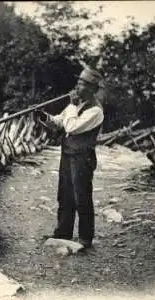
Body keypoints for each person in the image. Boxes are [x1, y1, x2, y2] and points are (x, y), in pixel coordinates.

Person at [39, 65, 104, 249]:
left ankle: (85, 238)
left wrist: (73, 106)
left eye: (82, 84)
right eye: (78, 83)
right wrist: (44, 117)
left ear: (93, 89)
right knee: (65, 194)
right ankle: (63, 232)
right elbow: (60, 122)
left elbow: (72, 127)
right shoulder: (75, 104)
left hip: (83, 158)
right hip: (67, 154)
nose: (77, 87)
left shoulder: (95, 111)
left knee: (81, 196)